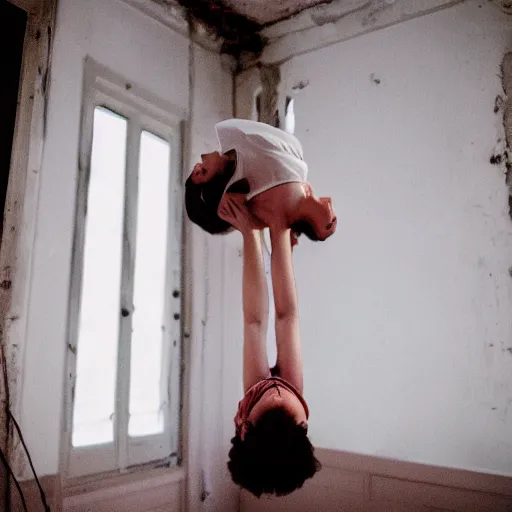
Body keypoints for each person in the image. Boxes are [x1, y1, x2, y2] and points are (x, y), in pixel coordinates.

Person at [222, 193, 321, 497]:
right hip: (279, 414)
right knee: (284, 319)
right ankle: (270, 233)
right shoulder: (294, 415)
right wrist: (280, 235)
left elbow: (256, 321)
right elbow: (286, 316)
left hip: (259, 409)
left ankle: (254, 231)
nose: (277, 394)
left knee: (255, 324)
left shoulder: (254, 419)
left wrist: (250, 229)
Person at [185, 119, 337, 245]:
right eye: (202, 171)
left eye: (329, 224)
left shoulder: (286, 198)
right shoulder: (280, 209)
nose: (203, 156)